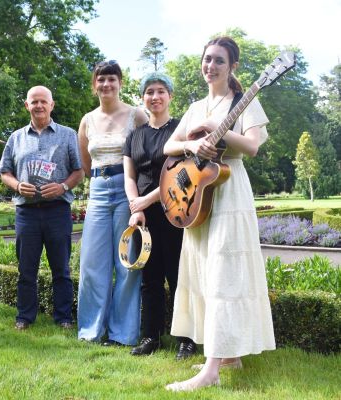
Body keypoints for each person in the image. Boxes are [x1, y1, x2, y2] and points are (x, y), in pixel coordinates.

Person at [163, 37, 275, 391]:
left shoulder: (245, 102)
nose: (210, 66)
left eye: (219, 61)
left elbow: (254, 146)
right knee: (202, 272)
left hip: (229, 193)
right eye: (207, 59)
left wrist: (219, 134)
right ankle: (228, 356)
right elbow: (169, 146)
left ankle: (210, 372)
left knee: (224, 273)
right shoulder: (195, 106)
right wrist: (192, 144)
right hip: (196, 194)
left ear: (233, 67)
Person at [123, 72, 197, 358]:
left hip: (176, 210)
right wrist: (136, 206)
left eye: (160, 91)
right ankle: (150, 337)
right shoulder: (134, 136)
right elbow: (130, 176)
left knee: (179, 277)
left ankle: (186, 339)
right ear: (142, 98)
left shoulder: (181, 132)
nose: (154, 97)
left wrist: (145, 201)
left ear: (170, 96)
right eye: (149, 92)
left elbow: (182, 173)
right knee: (150, 279)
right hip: (144, 216)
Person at [0, 85, 84, 330]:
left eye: (43, 101)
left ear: (51, 104)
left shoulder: (68, 134)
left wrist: (63, 187)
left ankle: (64, 317)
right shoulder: (16, 137)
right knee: (26, 269)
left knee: (61, 268)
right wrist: (16, 185)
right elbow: (4, 172)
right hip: (26, 211)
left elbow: (79, 171)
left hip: (57, 210)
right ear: (27, 105)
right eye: (33, 101)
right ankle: (24, 317)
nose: (38, 105)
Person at [77, 61, 148, 346]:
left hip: (125, 190)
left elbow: (144, 156)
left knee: (127, 261)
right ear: (95, 84)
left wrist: (139, 199)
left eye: (112, 79)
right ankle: (92, 330)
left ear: (120, 83)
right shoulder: (87, 120)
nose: (106, 84)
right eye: (101, 79)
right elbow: (85, 161)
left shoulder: (136, 115)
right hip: (97, 191)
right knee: (92, 263)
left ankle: (123, 332)